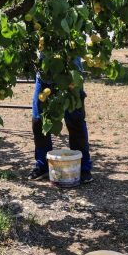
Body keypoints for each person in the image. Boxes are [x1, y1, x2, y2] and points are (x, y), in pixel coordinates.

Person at [28, 56, 93, 184]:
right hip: (45, 75)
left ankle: (83, 167)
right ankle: (43, 165)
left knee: (76, 120)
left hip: (71, 74)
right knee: (38, 121)